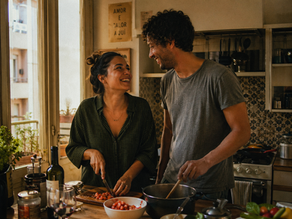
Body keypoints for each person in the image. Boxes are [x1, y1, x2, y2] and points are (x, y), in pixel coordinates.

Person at [142, 9, 251, 200]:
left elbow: (242, 132)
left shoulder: (219, 77)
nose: (150, 54)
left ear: (170, 42)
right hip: (172, 183)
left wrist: (205, 162)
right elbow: (168, 129)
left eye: (152, 46)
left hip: (209, 188)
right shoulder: (167, 80)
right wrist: (160, 176)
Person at [66, 51, 158, 196]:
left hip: (134, 193)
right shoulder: (86, 109)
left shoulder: (141, 108)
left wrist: (128, 176)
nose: (127, 72)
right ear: (103, 78)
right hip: (96, 193)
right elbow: (73, 148)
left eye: (127, 68)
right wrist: (91, 153)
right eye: (119, 68)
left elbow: (149, 152)